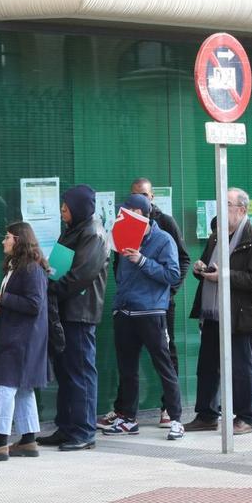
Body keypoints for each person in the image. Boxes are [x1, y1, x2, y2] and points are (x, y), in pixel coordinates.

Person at [99, 193, 185, 440]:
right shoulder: (123, 235)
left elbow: (172, 275)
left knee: (164, 366)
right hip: (125, 311)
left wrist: (142, 260)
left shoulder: (163, 239)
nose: (119, 216)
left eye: (124, 212)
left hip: (151, 312)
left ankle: (176, 419)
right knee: (127, 369)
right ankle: (128, 418)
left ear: (138, 213)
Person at [184, 188, 252, 434]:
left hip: (240, 313)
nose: (221, 210)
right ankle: (207, 414)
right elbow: (208, 265)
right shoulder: (216, 235)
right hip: (212, 311)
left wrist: (224, 275)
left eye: (227, 205)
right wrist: (200, 269)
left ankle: (245, 417)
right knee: (207, 364)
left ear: (241, 210)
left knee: (241, 367)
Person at [36, 184, 108, 452]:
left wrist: (50, 288)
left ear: (78, 208)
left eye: (66, 208)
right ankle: (66, 426)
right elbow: (59, 266)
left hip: (80, 312)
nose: (62, 212)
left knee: (80, 373)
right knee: (67, 373)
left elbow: (80, 276)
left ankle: (84, 431)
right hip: (64, 310)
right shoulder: (76, 230)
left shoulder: (93, 234)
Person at [0, 222, 50, 461]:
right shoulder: (18, 267)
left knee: (3, 386)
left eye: (7, 237)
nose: (3, 241)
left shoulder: (30, 269)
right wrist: (1, 306)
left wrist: (2, 298)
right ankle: (28, 440)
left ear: (19, 240)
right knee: (23, 389)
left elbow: (34, 304)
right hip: (20, 336)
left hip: (22, 339)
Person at [130, 178, 190, 428]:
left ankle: (169, 408)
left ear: (152, 197)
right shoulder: (126, 224)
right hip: (133, 303)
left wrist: (169, 292)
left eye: (144, 195)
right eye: (135, 195)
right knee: (132, 356)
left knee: (165, 353)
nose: (140, 200)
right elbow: (119, 262)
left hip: (160, 303)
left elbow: (183, 260)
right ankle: (126, 410)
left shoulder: (165, 223)